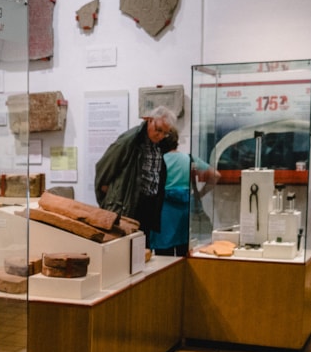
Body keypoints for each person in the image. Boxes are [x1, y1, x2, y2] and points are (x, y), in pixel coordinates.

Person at [93, 105, 178, 233]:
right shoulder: (130, 141)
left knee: (143, 248)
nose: (160, 135)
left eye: (165, 133)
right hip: (128, 206)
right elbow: (103, 169)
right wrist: (109, 200)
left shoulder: (160, 145)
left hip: (148, 207)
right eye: (158, 130)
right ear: (150, 120)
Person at [148, 128, 218, 256]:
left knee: (164, 259)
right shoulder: (189, 159)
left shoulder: (158, 161)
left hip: (164, 214)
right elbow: (215, 175)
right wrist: (200, 194)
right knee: (184, 256)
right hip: (185, 214)